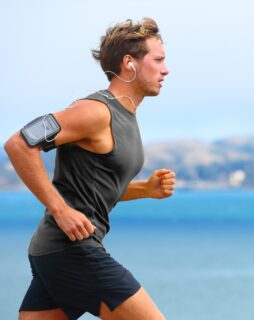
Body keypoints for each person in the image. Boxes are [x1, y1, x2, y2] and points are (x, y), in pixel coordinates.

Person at [4, 17, 174, 320]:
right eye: (158, 60)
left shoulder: (125, 115)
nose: (166, 69)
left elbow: (94, 189)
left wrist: (145, 190)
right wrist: (60, 209)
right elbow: (18, 144)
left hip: (55, 252)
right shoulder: (94, 111)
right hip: (71, 250)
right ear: (129, 63)